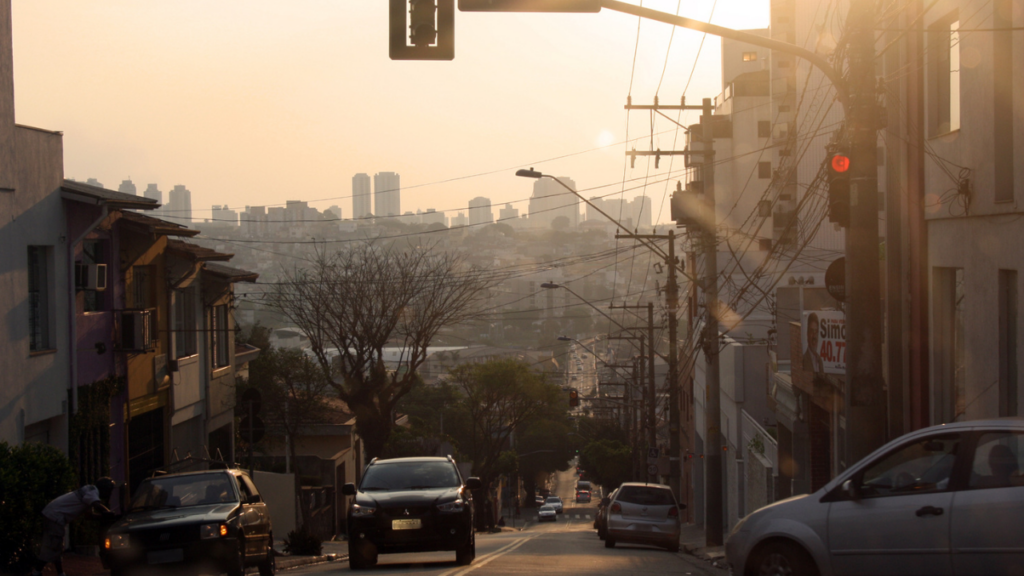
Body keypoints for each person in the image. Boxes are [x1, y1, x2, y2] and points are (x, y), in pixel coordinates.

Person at [32, 477, 117, 576]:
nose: (109, 494)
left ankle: (60, 573)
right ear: (104, 489)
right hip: (55, 516)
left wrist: (105, 516)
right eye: (109, 491)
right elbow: (97, 505)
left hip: (54, 516)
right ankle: (37, 572)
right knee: (52, 546)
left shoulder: (89, 492)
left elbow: (89, 516)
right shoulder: (92, 492)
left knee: (56, 546)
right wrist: (108, 513)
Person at [803, 312, 825, 377]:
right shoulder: (804, 360)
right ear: (807, 334)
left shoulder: (820, 361)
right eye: (812, 331)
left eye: (816, 331)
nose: (814, 336)